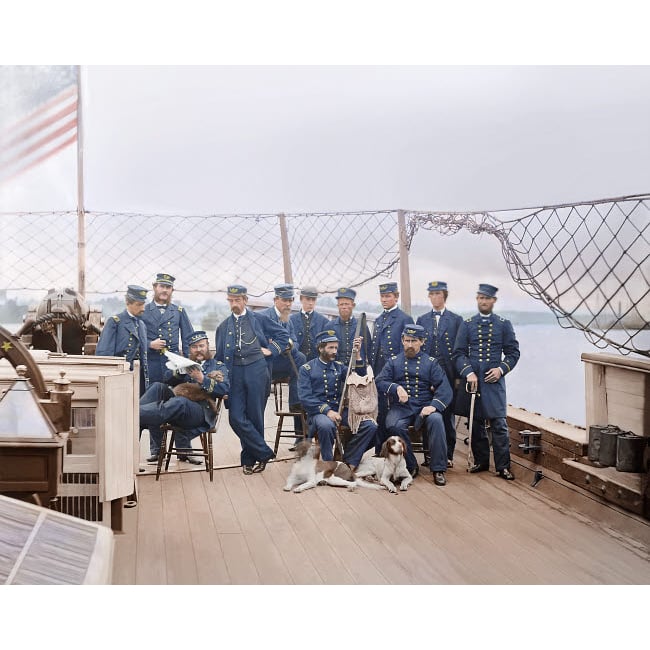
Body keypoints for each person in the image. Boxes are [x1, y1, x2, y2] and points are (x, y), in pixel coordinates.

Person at [215, 285, 290, 474]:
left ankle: (248, 460)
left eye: (237, 300)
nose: (234, 304)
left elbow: (283, 335)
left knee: (255, 415)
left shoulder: (260, 319)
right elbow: (219, 359)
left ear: (245, 300)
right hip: (235, 374)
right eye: (231, 300)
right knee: (236, 417)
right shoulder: (223, 327)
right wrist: (222, 384)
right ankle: (264, 452)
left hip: (258, 370)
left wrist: (271, 350)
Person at [453, 283, 521, 480]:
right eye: (480, 298)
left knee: (499, 423)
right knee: (474, 423)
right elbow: (458, 354)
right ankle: (481, 462)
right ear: (477, 300)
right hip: (473, 381)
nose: (483, 301)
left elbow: (513, 352)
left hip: (493, 382)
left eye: (486, 298)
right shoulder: (467, 324)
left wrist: (501, 369)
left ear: (493, 301)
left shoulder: (503, 324)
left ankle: (503, 467)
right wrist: (468, 372)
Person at [375, 324, 453, 486]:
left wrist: (434, 406)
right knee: (392, 424)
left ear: (422, 342)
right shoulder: (394, 362)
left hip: (426, 406)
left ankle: (438, 469)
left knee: (437, 421)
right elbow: (380, 381)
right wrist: (396, 388)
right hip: (402, 407)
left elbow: (445, 388)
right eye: (407, 340)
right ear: (402, 340)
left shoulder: (431, 363)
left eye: (414, 341)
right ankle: (411, 464)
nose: (410, 344)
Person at [139, 330, 229, 464]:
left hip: (200, 412)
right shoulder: (184, 363)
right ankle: (135, 417)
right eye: (194, 347)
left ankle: (133, 413)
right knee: (157, 387)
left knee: (179, 402)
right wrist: (180, 371)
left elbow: (225, 389)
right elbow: (166, 379)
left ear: (207, 346)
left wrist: (202, 379)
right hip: (177, 409)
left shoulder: (218, 365)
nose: (198, 350)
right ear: (189, 349)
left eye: (201, 346)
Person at [297, 330, 377, 469]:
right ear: (320, 348)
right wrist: (327, 411)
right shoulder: (307, 369)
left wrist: (357, 354)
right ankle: (329, 464)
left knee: (370, 425)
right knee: (326, 425)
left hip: (340, 410)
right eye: (330, 348)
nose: (334, 351)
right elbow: (305, 398)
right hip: (318, 412)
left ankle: (349, 458)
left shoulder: (339, 367)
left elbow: (360, 375)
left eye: (336, 347)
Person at [416, 281, 463, 468]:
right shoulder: (422, 320)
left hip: (448, 376)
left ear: (444, 296)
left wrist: (459, 378)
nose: (435, 297)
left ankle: (448, 455)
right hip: (427, 375)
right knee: (428, 413)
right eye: (432, 294)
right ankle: (429, 455)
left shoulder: (456, 320)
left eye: (438, 294)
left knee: (447, 415)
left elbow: (459, 350)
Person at [369, 282, 414, 453]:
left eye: (388, 296)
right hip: (380, 373)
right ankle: (380, 452)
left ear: (396, 297)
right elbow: (374, 349)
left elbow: (409, 349)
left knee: (393, 415)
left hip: (397, 374)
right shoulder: (379, 320)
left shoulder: (404, 319)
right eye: (382, 296)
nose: (384, 299)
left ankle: (397, 453)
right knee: (380, 412)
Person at [260, 283, 307, 448]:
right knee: (259, 398)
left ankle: (296, 404)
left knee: (300, 358)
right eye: (285, 300)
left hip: (281, 362)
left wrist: (287, 344)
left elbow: (294, 341)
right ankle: (259, 441)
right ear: (276, 299)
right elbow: (262, 343)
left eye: (291, 300)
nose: (288, 304)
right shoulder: (264, 316)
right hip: (265, 364)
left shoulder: (288, 318)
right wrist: (277, 346)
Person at [96, 284, 150, 395]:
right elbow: (104, 355)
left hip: (139, 379)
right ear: (128, 303)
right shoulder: (115, 322)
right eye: (139, 305)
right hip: (120, 378)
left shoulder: (142, 325)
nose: (143, 308)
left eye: (144, 304)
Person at [142, 272, 194, 385]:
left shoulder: (178, 311)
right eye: (162, 286)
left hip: (173, 364)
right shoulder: (143, 311)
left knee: (173, 398)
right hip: (151, 364)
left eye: (168, 287)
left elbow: (188, 340)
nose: (165, 290)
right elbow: (135, 338)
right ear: (155, 287)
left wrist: (189, 364)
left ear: (172, 290)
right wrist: (149, 344)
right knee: (151, 397)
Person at [330, 287, 372, 366]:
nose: (344, 307)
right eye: (341, 304)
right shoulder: (330, 326)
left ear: (353, 305)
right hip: (336, 370)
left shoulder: (362, 326)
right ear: (337, 306)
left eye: (347, 304)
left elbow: (368, 350)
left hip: (356, 369)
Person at [289, 286, 329, 363]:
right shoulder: (291, 320)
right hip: (296, 361)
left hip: (316, 362)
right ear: (301, 299)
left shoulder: (324, 321)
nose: (310, 303)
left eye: (313, 300)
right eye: (308, 299)